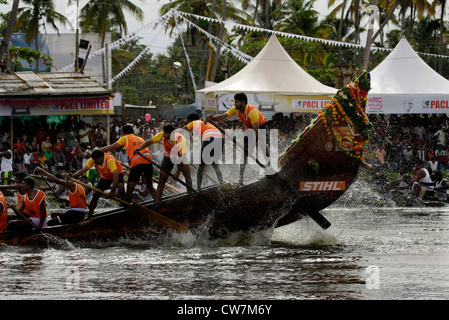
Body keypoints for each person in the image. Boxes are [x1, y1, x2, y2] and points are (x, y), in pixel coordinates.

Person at [206, 92, 269, 185]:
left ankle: (270, 166)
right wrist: (212, 118)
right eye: (235, 102)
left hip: (260, 126)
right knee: (245, 153)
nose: (235, 104)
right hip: (249, 128)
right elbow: (222, 116)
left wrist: (251, 146)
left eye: (237, 102)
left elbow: (256, 132)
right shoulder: (235, 109)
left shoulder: (252, 112)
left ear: (243, 102)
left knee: (262, 145)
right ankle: (240, 179)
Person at [99, 124, 156, 203]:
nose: (121, 134)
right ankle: (158, 201)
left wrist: (97, 150)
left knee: (130, 185)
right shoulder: (140, 138)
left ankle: (127, 203)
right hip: (149, 161)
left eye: (121, 133)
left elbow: (111, 147)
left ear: (124, 132)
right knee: (150, 185)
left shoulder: (125, 138)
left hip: (137, 162)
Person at [136, 124, 191, 202]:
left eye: (165, 133)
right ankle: (158, 201)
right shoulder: (162, 134)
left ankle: (190, 196)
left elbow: (182, 158)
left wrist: (177, 173)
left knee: (187, 175)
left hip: (180, 157)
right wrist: (139, 148)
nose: (163, 135)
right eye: (164, 132)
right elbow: (149, 142)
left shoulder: (180, 139)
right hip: (168, 157)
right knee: (161, 180)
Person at [72, 149, 125, 220]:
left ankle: (127, 208)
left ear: (101, 157)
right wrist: (72, 176)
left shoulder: (110, 160)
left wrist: (112, 191)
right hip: (105, 177)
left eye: (96, 160)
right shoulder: (92, 160)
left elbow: (116, 176)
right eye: (94, 160)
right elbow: (82, 171)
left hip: (118, 174)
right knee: (96, 194)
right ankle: (89, 216)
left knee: (121, 190)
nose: (95, 162)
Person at [184, 113, 224, 190]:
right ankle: (222, 182)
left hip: (210, 138)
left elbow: (183, 129)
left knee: (201, 166)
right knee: (215, 164)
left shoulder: (195, 122)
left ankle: (198, 189)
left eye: (188, 122)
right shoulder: (206, 124)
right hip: (220, 139)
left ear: (191, 120)